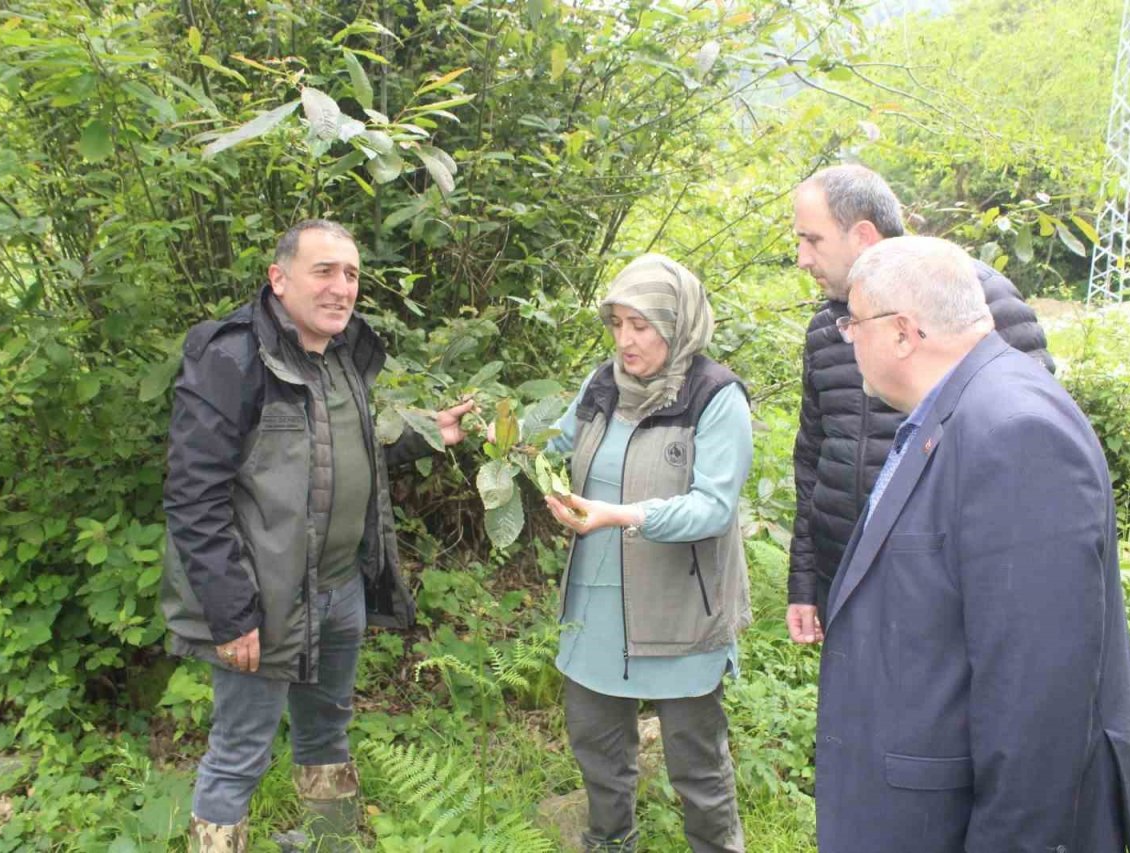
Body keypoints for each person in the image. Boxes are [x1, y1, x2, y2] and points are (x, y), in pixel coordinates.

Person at [814, 235, 1130, 852]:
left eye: (853, 323)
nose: (847, 337)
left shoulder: (1013, 430)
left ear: (901, 332)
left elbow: (1038, 692)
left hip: (956, 819)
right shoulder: (954, 409)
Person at [160, 219, 475, 851]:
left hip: (339, 591)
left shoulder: (343, 355)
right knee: (240, 751)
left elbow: (336, 454)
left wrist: (423, 436)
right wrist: (230, 615)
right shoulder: (232, 356)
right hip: (263, 603)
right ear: (279, 280)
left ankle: (332, 844)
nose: (341, 288)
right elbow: (193, 496)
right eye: (323, 271)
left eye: (352, 274)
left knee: (328, 732)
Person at [787, 164, 1054, 644]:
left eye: (813, 240)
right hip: (843, 577)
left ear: (863, 235)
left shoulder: (977, 303)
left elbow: (1030, 450)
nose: (802, 258)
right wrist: (805, 581)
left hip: (941, 588)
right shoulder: (829, 327)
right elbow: (813, 456)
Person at [542, 253, 753, 853]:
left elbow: (713, 507)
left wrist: (622, 516)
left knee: (698, 771)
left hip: (679, 608)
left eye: (641, 325)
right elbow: (551, 440)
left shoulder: (716, 395)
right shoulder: (601, 383)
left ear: (678, 323)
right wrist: (488, 431)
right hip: (596, 604)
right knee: (599, 755)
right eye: (616, 324)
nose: (625, 340)